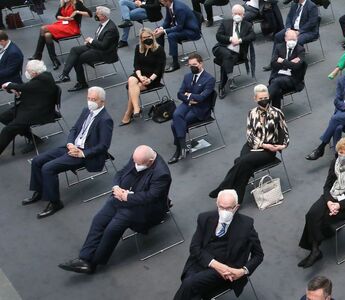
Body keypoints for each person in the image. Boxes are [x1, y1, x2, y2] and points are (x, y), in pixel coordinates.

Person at [57, 145, 172, 274]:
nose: (135, 165)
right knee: (99, 220)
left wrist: (126, 196)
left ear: (150, 162)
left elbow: (150, 197)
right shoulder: (138, 157)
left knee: (113, 227)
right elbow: (121, 172)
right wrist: (116, 186)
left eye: (138, 163)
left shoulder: (162, 174)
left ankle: (92, 262)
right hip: (123, 196)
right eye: (134, 161)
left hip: (145, 208)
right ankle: (84, 258)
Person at [25, 87, 113, 219]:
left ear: (102, 102)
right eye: (88, 98)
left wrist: (82, 153)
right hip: (72, 147)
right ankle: (39, 190)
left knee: (48, 168)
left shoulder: (105, 120)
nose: (90, 102)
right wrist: (70, 143)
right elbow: (74, 129)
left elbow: (103, 146)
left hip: (84, 154)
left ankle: (55, 203)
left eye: (93, 100)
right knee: (37, 161)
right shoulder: (86, 110)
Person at [173, 190, 264, 300]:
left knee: (189, 284)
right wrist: (217, 265)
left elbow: (258, 254)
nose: (224, 211)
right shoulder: (205, 218)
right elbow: (194, 247)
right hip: (202, 260)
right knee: (192, 287)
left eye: (229, 208)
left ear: (236, 207)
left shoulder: (246, 224)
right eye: (221, 207)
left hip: (228, 271)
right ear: (217, 204)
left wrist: (242, 271)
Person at [209, 84, 289, 201]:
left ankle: (225, 187)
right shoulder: (251, 113)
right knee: (244, 164)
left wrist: (280, 146)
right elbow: (249, 135)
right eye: (260, 99)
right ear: (255, 99)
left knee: (241, 161)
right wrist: (262, 144)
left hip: (268, 151)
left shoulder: (277, 113)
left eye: (265, 97)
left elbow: (285, 133)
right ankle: (237, 199)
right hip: (252, 145)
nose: (264, 100)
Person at [299, 137, 345, 267]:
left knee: (322, 217)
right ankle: (315, 249)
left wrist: (338, 205)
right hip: (331, 196)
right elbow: (327, 186)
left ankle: (315, 250)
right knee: (311, 214)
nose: (343, 156)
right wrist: (329, 202)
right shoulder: (334, 163)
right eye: (341, 152)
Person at [0, 60, 59, 156]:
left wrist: (9, 85)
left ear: (34, 73)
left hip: (40, 111)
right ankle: (34, 139)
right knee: (3, 117)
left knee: (8, 130)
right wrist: (19, 95)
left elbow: (25, 87)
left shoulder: (42, 80)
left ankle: (19, 131)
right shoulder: (43, 76)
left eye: (28, 71)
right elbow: (30, 91)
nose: (26, 73)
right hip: (32, 105)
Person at [55, 6, 119, 93]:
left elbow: (104, 46)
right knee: (74, 49)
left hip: (105, 53)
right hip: (96, 47)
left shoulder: (111, 29)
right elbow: (99, 39)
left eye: (97, 14)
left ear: (104, 16)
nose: (95, 15)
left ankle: (82, 83)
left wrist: (91, 40)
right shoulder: (103, 23)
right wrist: (90, 42)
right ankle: (65, 74)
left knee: (78, 59)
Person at [169, 54, 215, 164]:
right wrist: (189, 99)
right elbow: (179, 94)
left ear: (201, 63)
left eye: (194, 64)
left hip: (200, 109)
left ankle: (179, 149)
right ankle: (183, 146)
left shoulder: (209, 79)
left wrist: (189, 95)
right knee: (176, 116)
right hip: (187, 104)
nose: (192, 67)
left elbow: (202, 97)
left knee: (174, 124)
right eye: (190, 65)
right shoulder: (187, 77)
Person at [120, 28, 166, 126]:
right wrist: (140, 77)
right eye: (144, 37)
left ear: (152, 36)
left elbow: (159, 69)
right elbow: (136, 64)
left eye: (148, 36)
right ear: (141, 39)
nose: (147, 38)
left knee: (133, 88)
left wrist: (149, 79)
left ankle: (128, 113)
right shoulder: (138, 48)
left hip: (153, 77)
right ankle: (136, 108)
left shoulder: (159, 49)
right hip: (140, 74)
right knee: (131, 80)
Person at [30, 0, 92, 70]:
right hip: (62, 24)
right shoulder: (63, 4)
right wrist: (65, 18)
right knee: (47, 35)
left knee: (43, 28)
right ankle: (54, 60)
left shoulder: (77, 3)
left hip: (72, 27)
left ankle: (38, 55)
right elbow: (57, 16)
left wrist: (77, 12)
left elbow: (90, 14)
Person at [213, 5, 256, 99]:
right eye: (235, 13)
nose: (237, 15)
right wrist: (230, 39)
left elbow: (252, 36)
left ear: (243, 15)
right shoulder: (225, 23)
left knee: (226, 59)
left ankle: (224, 83)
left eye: (239, 14)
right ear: (232, 14)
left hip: (237, 52)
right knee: (227, 55)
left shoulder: (247, 25)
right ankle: (228, 78)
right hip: (221, 48)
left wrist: (240, 40)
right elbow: (218, 36)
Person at [267, 0, 319, 72]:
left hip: (308, 31)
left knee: (299, 40)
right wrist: (288, 29)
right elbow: (289, 18)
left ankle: (293, 63)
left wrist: (299, 32)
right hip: (292, 29)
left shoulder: (312, 6)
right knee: (278, 36)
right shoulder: (294, 4)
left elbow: (312, 23)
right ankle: (274, 60)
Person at [155, 0, 202, 73]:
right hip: (183, 27)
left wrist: (164, 31)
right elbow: (167, 20)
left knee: (171, 36)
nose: (160, 3)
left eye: (162, 1)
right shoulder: (169, 5)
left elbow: (179, 27)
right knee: (159, 31)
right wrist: (160, 28)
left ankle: (175, 64)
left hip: (191, 31)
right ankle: (161, 56)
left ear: (167, 1)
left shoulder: (179, 8)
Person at [268, 30, 308, 109]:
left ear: (297, 39)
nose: (292, 41)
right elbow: (273, 64)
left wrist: (282, 61)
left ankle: (264, 103)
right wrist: (290, 63)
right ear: (285, 39)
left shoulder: (300, 50)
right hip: (278, 76)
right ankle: (277, 112)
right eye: (290, 39)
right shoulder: (279, 47)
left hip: (292, 78)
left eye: (294, 39)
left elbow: (297, 67)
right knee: (276, 89)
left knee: (275, 83)